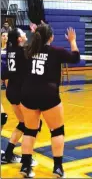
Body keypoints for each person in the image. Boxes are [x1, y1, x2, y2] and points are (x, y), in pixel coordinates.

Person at [20, 24, 80, 178]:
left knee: (29, 131)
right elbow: (75, 58)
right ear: (51, 37)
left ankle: (26, 167)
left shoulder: (27, 50)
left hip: (27, 94)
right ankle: (58, 168)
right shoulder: (56, 51)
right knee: (57, 131)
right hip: (48, 94)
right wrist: (72, 41)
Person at [1, 28, 40, 165]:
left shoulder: (10, 50)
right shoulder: (23, 52)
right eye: (22, 33)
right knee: (32, 125)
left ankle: (8, 154)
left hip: (11, 91)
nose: (25, 34)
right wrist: (37, 33)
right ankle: (26, 159)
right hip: (21, 92)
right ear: (19, 39)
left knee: (23, 124)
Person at [1, 31, 8, 153]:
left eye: (6, 35)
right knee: (2, 117)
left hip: (7, 75)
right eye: (3, 35)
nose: (5, 37)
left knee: (3, 117)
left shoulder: (10, 49)